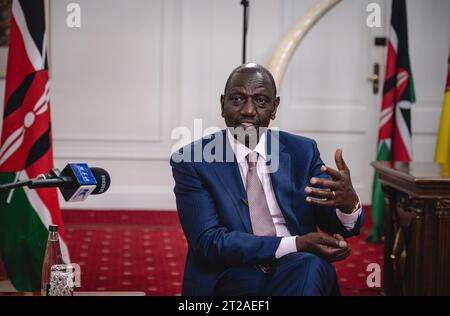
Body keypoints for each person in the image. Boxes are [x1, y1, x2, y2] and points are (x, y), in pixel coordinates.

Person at [170, 63, 364, 296]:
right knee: (306, 272)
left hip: (297, 264)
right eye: (237, 99)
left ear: (274, 107)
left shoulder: (302, 151)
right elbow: (209, 243)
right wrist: (296, 244)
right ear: (222, 105)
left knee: (310, 268)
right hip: (231, 271)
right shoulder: (193, 161)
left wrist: (348, 205)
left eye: (261, 101)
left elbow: (331, 221)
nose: (249, 110)